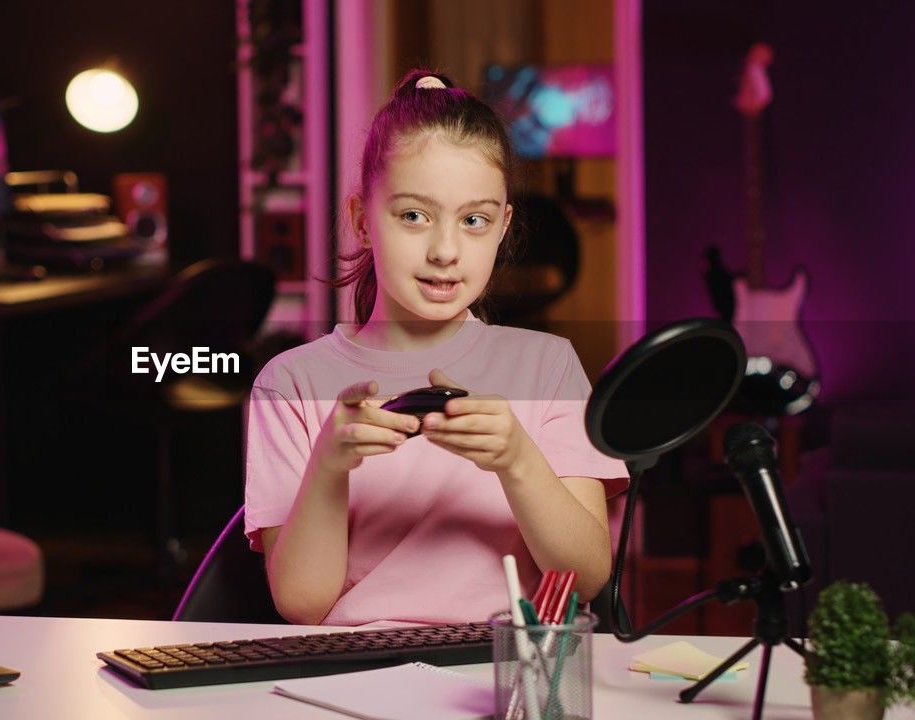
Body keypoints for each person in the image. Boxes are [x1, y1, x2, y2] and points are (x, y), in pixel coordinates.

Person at [244, 69, 627, 627]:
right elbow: (304, 607)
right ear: (362, 221)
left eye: (474, 221)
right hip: (355, 680)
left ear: (502, 227)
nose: (446, 250)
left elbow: (587, 578)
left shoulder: (547, 366)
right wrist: (329, 465)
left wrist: (518, 461)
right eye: (414, 216)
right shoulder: (290, 385)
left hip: (509, 671)